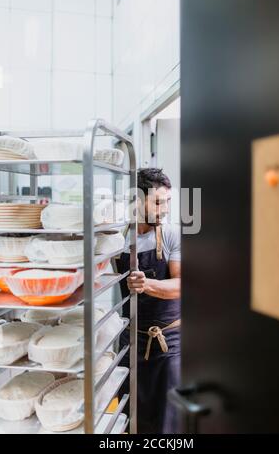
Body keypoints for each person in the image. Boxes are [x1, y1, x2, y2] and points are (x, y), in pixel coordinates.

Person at [116, 168, 181, 434]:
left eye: (167, 202)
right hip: (131, 343)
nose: (164, 209)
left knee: (169, 424)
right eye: (157, 202)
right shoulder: (116, 238)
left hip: (169, 344)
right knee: (131, 419)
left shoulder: (171, 235)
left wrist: (147, 285)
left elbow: (181, 285)